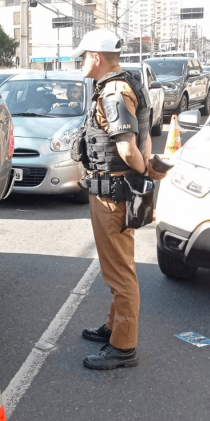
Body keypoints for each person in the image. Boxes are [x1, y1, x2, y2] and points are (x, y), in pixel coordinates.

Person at [70, 29, 168, 371]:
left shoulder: (113, 91)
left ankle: (123, 346)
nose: (79, 62)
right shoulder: (127, 84)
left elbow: (127, 148)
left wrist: (142, 173)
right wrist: (145, 168)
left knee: (120, 273)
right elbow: (144, 139)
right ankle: (114, 326)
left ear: (97, 57)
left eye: (82, 56)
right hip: (116, 191)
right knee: (118, 267)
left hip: (113, 194)